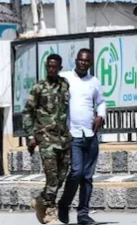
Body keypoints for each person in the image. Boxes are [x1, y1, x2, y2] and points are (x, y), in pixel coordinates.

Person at [58, 49, 107, 225]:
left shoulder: (94, 82)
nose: (83, 63)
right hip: (73, 134)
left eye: (87, 61)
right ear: (76, 60)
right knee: (76, 172)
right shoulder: (65, 78)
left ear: (90, 63)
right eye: (80, 60)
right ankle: (64, 204)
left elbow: (101, 102)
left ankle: (83, 214)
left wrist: (100, 116)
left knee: (87, 176)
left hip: (90, 135)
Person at [22, 54, 71, 225]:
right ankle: (50, 212)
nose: (51, 69)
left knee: (62, 175)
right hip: (46, 139)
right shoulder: (38, 88)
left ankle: (42, 199)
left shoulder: (65, 85)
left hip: (63, 138)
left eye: (54, 66)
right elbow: (27, 112)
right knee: (52, 176)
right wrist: (30, 135)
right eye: (48, 66)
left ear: (59, 67)